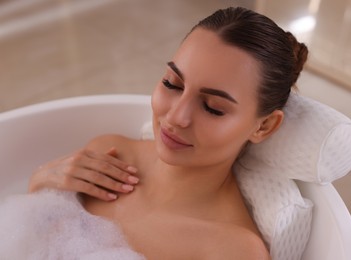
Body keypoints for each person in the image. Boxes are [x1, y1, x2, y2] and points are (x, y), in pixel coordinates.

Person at [28, 6, 308, 259]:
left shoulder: (231, 250)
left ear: (264, 126)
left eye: (212, 108)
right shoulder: (108, 154)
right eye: (172, 83)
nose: (175, 117)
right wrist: (40, 184)